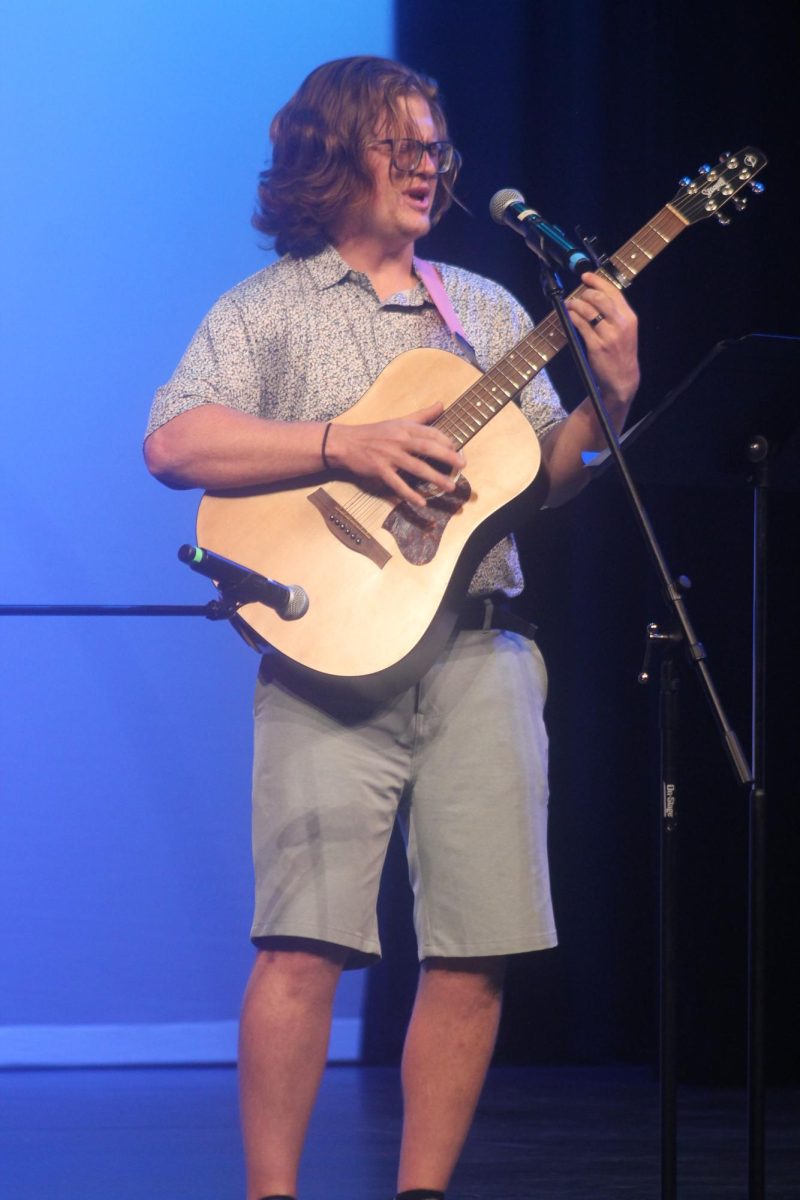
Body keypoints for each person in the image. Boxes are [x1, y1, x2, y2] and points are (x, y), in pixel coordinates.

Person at [144, 55, 639, 1200]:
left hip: (478, 646)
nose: (428, 166)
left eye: (436, 147)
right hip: (325, 661)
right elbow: (174, 444)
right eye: (399, 143)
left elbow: (548, 476)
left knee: (475, 944)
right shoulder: (266, 310)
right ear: (329, 156)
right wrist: (341, 442)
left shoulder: (488, 310)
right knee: (303, 940)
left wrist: (611, 398)